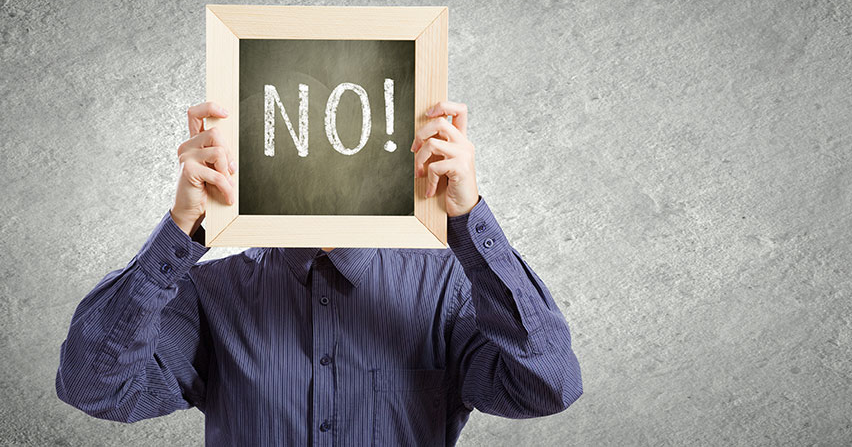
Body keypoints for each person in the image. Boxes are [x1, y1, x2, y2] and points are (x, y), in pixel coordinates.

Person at [56, 100, 583, 445]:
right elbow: (94, 387)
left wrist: (469, 223)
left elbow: (549, 386)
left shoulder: (450, 289)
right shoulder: (209, 296)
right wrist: (182, 228)